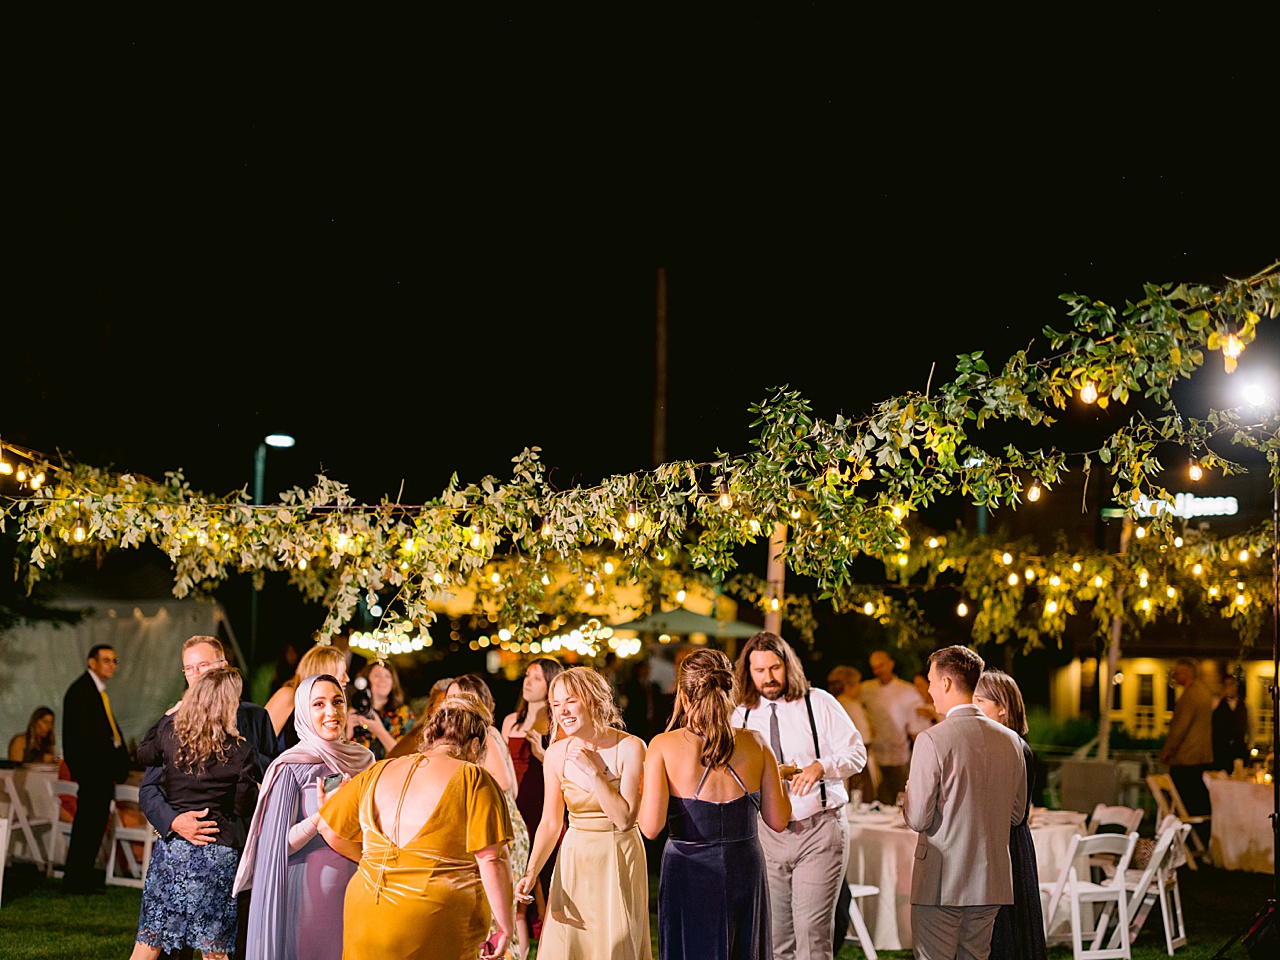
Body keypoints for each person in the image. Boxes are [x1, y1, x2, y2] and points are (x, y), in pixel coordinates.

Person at [316, 695, 515, 959]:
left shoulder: (378, 770)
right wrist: (504, 928)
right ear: (475, 744)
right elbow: (492, 859)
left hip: (365, 910)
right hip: (433, 918)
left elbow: (328, 829)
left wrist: (372, 862)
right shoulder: (473, 778)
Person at [640, 649, 791, 960]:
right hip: (744, 866)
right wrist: (778, 778)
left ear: (682, 694)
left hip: (688, 870)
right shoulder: (757, 744)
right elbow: (778, 821)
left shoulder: (663, 746)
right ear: (730, 690)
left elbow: (650, 827)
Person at [733, 631, 866, 960]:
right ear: (748, 672)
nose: (769, 678)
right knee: (775, 934)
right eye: (759, 671)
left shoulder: (817, 701)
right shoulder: (741, 714)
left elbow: (856, 752)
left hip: (819, 827)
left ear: (787, 665)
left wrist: (822, 766)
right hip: (767, 833)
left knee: (812, 933)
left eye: (775, 668)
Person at [232, 673, 375, 960]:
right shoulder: (291, 767)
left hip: (361, 887)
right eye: (318, 704)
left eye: (337, 702)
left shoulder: (365, 760)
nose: (331, 712)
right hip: (308, 895)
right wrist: (320, 819)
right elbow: (275, 846)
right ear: (303, 713)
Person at [515, 667, 651, 960]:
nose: (562, 711)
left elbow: (626, 819)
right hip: (575, 858)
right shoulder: (555, 754)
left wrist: (594, 773)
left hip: (618, 855)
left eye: (570, 701)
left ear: (592, 700)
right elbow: (551, 823)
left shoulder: (631, 747)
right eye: (556, 704)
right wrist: (531, 871)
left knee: (616, 942)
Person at [903, 646, 1026, 960]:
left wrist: (910, 795)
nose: (928, 689)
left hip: (942, 880)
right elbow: (1016, 814)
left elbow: (917, 819)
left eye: (931, 681)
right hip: (991, 880)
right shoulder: (1011, 740)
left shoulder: (931, 739)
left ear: (945, 683)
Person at [130, 666, 258, 960]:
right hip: (215, 853)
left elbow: (144, 753)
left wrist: (166, 716)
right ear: (229, 703)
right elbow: (242, 807)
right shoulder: (239, 751)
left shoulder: (170, 735)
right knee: (214, 951)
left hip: (173, 853)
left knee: (149, 943)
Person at [450, 674, 533, 959]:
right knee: (505, 910)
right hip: (499, 826)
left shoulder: (483, 732)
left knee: (500, 912)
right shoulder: (481, 734)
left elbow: (504, 781)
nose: (451, 704)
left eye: (458, 697)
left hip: (500, 829)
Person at [973, 669, 1046, 960]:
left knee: (1006, 928)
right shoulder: (991, 745)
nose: (973, 709)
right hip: (998, 842)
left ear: (1002, 708)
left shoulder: (1015, 748)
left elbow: (1016, 813)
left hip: (1008, 846)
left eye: (980, 702)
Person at [500, 657, 564, 938]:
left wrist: (541, 755)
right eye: (527, 675)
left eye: (537, 678)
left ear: (551, 684)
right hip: (514, 803)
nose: (528, 681)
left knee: (544, 872)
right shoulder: (511, 721)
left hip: (542, 802)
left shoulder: (557, 723)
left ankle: (547, 932)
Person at [61, 643, 131, 894]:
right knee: (88, 824)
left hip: (99, 772)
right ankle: (77, 878)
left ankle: (82, 875)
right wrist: (88, 770)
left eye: (114, 660)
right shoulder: (82, 691)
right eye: (105, 660)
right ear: (92, 662)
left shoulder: (95, 691)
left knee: (93, 823)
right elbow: (79, 737)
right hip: (92, 772)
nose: (111, 665)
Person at [860, 649, 930, 805]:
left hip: (901, 755)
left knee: (903, 800)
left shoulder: (908, 691)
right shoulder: (866, 689)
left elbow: (918, 724)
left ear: (891, 664)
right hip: (876, 756)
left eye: (881, 666)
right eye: (874, 667)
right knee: (879, 801)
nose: (878, 671)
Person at [1158, 657, 1214, 841]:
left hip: (1187, 756)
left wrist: (1168, 750)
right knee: (1197, 796)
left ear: (1186, 674)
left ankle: (1187, 839)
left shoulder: (1190, 696)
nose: (1174, 676)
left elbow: (1180, 728)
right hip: (1200, 755)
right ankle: (1200, 837)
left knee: (1184, 799)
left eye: (1177, 672)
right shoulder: (1204, 692)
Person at [265, 643, 351, 750]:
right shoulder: (289, 696)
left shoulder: (334, 708)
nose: (347, 679)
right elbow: (258, 742)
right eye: (341, 673)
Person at [826, 665, 878, 803]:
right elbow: (866, 736)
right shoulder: (851, 705)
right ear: (848, 686)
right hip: (856, 760)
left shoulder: (831, 703)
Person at [347, 660, 416, 760]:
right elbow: (340, 755)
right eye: (377, 676)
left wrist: (379, 730)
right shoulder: (353, 712)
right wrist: (347, 731)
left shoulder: (403, 713)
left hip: (390, 772)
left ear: (393, 682)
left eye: (387, 676)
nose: (382, 680)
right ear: (365, 681)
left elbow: (405, 756)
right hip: (359, 773)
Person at [1212, 674, 1250, 772]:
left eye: (1231, 684)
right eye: (1226, 685)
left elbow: (1251, 725)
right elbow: (1208, 713)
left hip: (1239, 746)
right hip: (1221, 748)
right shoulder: (1217, 702)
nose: (1229, 687)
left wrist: (1250, 744)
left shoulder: (1245, 704)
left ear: (1236, 686)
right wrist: (1221, 697)